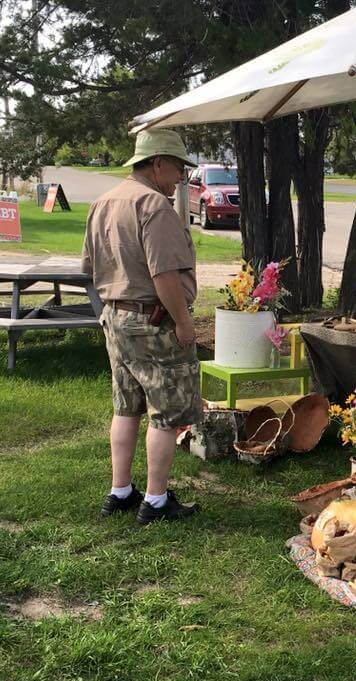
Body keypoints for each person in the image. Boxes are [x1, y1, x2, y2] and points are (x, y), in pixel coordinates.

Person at [82, 129, 201, 525]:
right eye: (178, 167)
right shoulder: (154, 206)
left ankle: (120, 491)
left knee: (126, 405)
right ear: (158, 163)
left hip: (115, 317)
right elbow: (165, 274)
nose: (181, 176)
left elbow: (89, 267)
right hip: (153, 319)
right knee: (166, 413)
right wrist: (184, 324)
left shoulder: (103, 201)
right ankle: (155, 500)